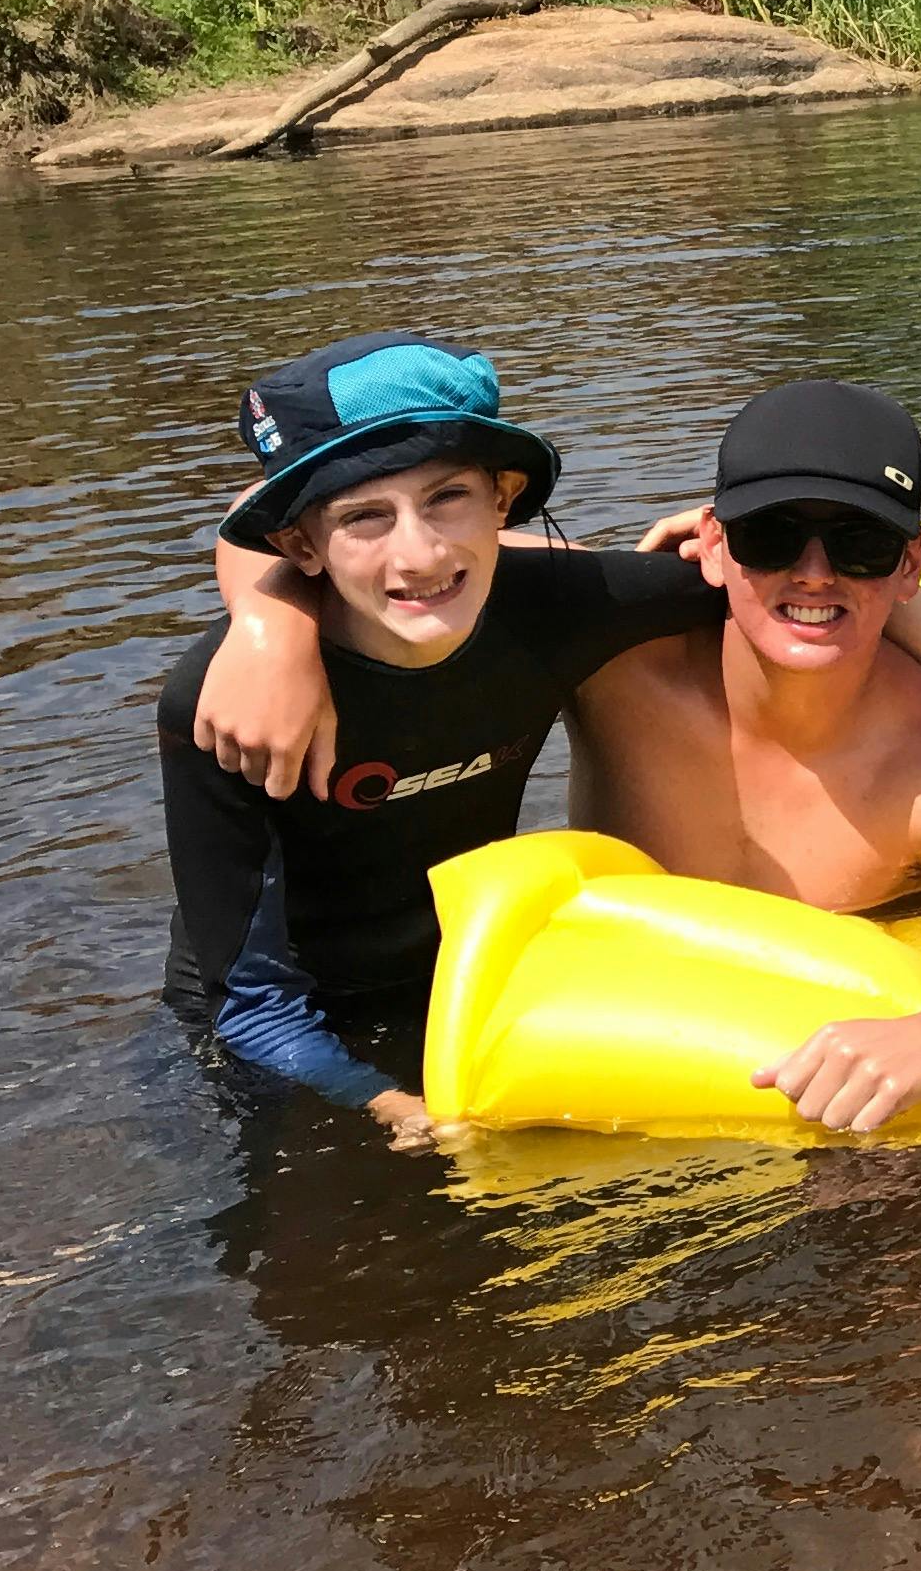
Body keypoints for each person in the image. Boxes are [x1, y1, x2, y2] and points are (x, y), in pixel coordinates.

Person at [156, 335, 723, 1143]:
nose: (419, 554)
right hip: (274, 1041)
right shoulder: (227, 699)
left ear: (504, 496)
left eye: (447, 498)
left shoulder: (560, 603)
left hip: (462, 980)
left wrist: (734, 542)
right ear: (299, 546)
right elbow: (249, 1004)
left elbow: (807, 590)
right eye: (364, 516)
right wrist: (394, 1108)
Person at [554, 378, 921, 1131]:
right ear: (711, 543)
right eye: (770, 536)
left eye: (859, 544)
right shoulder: (614, 674)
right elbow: (454, 565)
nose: (813, 572)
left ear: (911, 565)